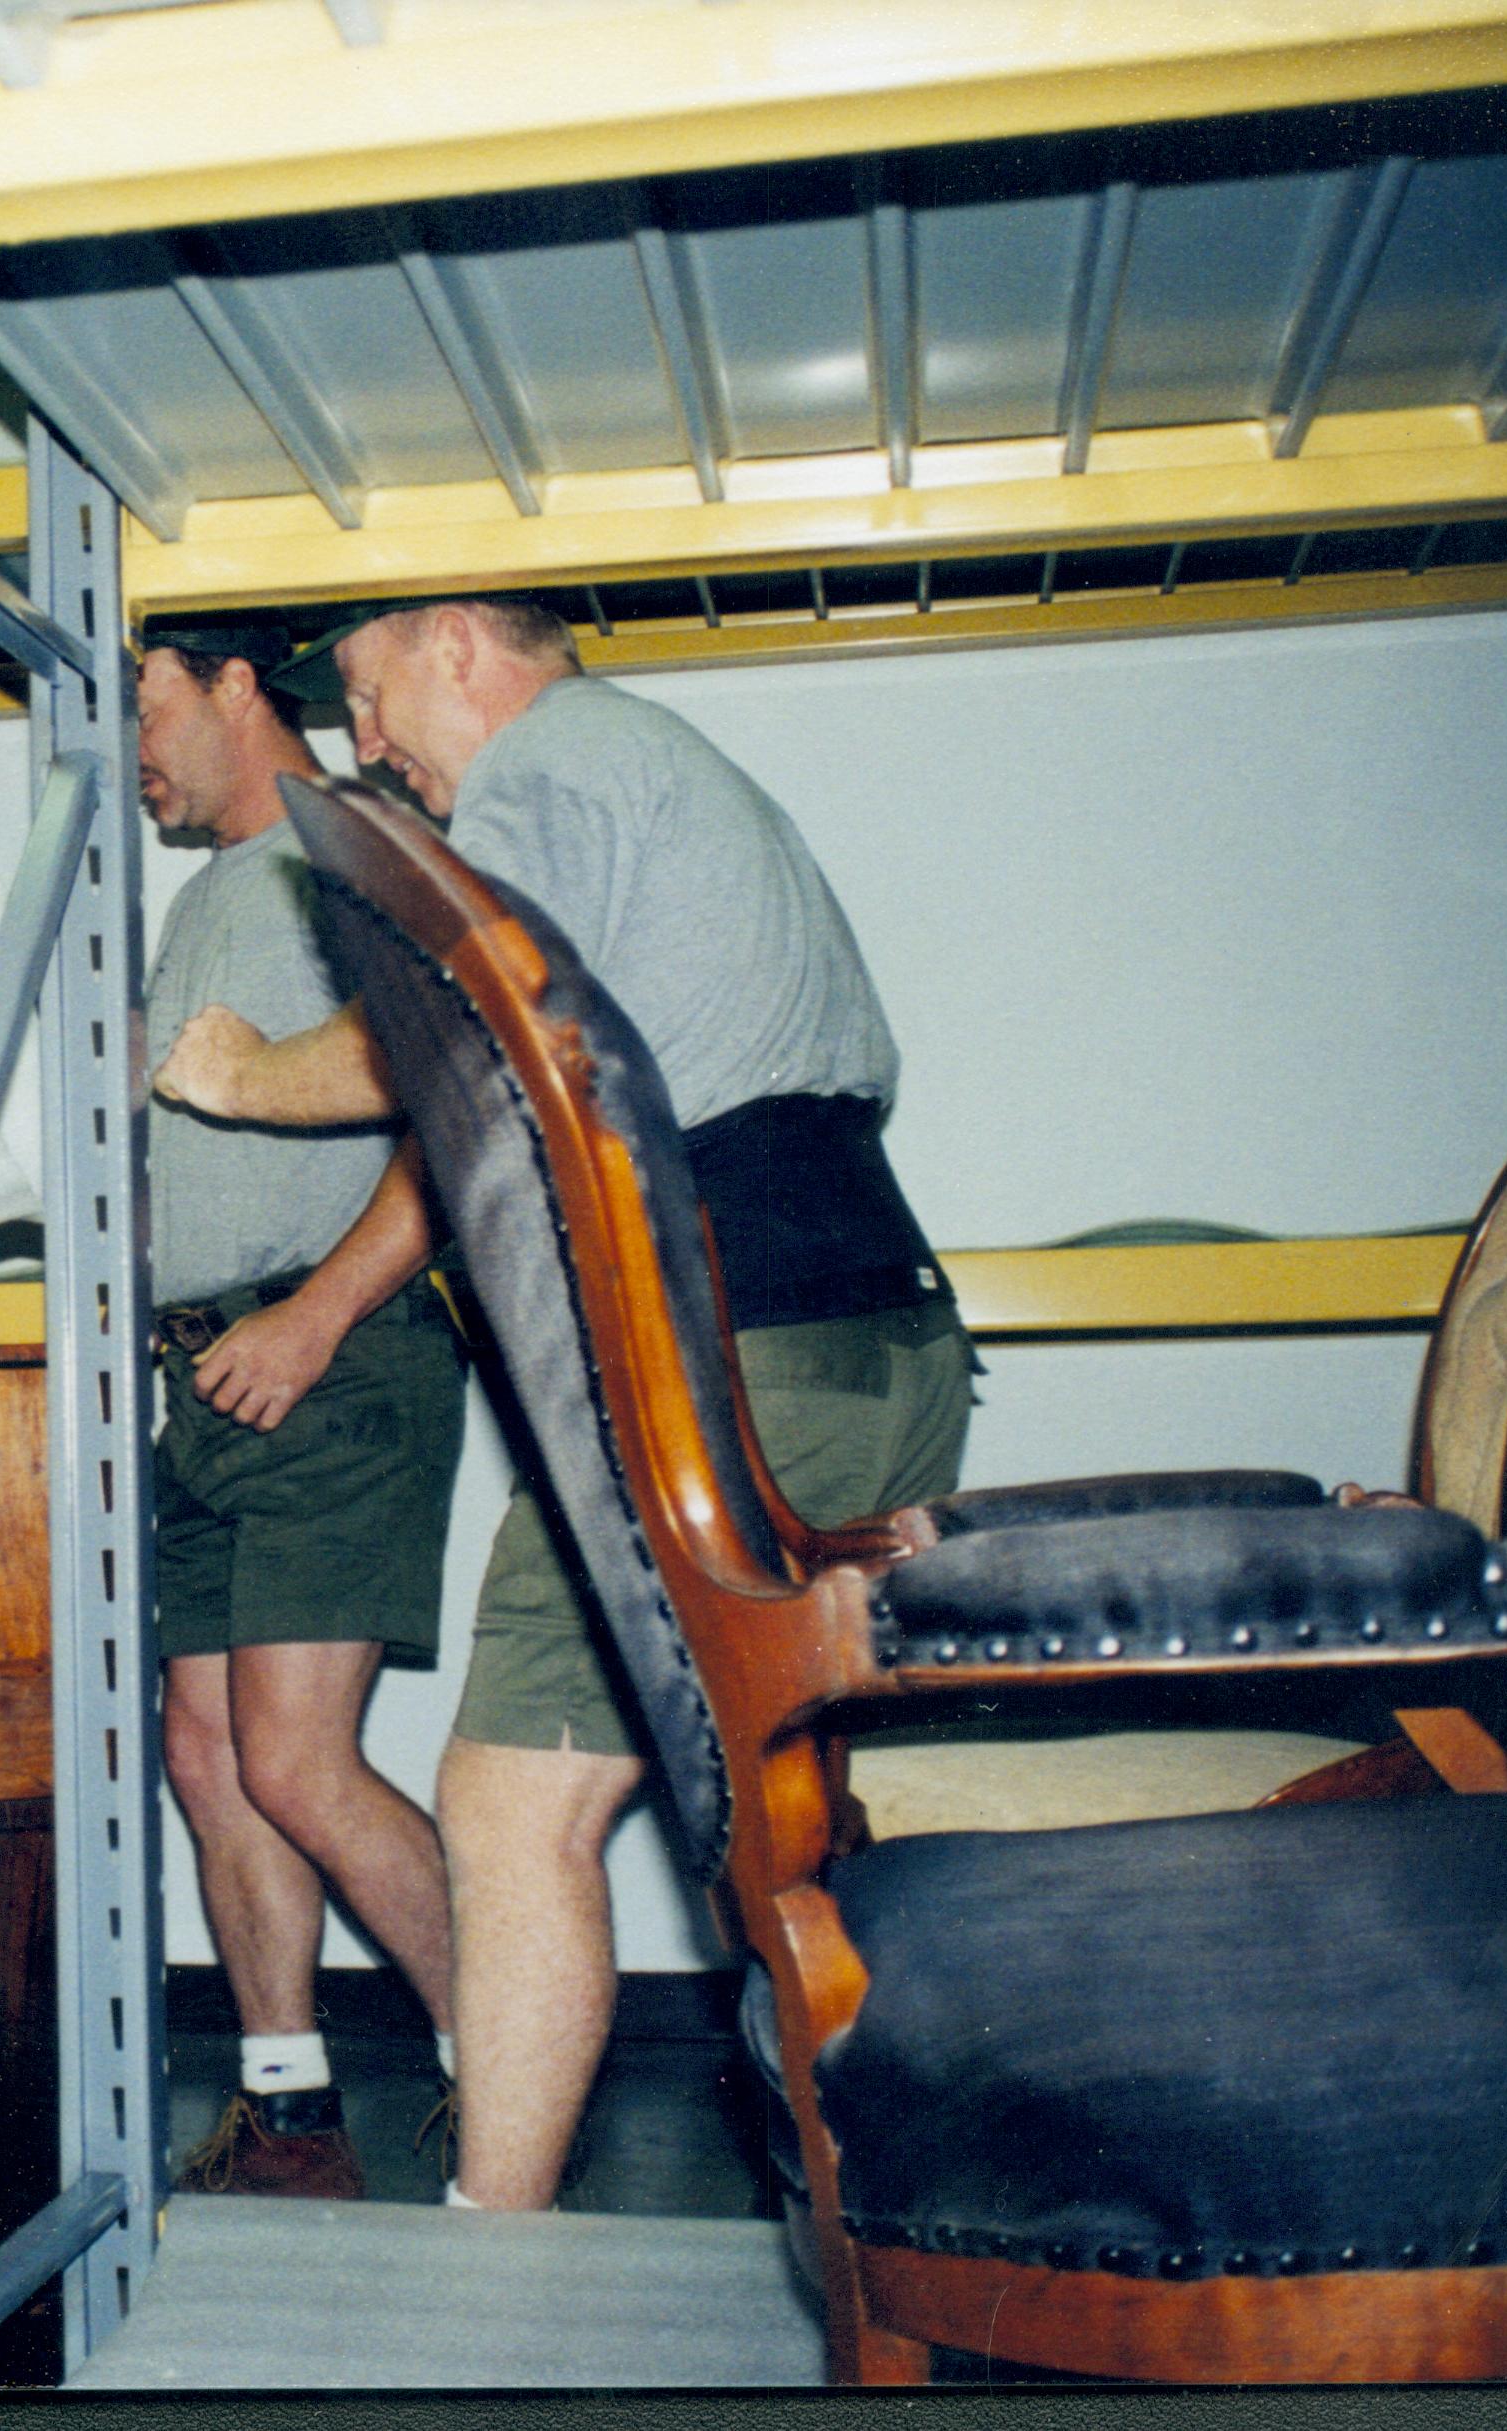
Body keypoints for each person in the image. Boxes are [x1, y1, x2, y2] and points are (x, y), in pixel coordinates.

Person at [154, 596, 972, 2213]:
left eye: (377, 695)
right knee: (766, 1805)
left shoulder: (553, 759)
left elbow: (464, 1024)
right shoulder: (655, 769)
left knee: (509, 1798)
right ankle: (875, 2204)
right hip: (857, 1335)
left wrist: (242, 1073)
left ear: (459, 645)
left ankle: (489, 2270)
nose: (368, 742)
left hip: (744, 1351)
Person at [137, 626, 469, 2201]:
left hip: (332, 1365)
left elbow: (462, 1118)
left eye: (142, 705)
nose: (133, 753)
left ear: (230, 686)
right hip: (202, 1378)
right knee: (208, 1758)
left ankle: (511, 2062)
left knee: (294, 1764)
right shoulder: (208, 898)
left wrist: (318, 1315)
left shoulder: (356, 865)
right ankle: (289, 2119)